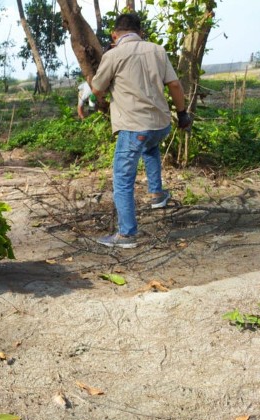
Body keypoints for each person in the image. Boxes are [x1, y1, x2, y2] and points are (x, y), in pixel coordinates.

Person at [89, 12, 192, 249]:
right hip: (161, 124)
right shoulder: (157, 50)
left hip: (134, 127)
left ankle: (126, 234)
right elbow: (174, 84)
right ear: (141, 33)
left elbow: (97, 89)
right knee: (151, 147)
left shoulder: (113, 55)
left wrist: (108, 60)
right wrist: (183, 113)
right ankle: (157, 194)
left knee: (123, 179)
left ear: (115, 34)